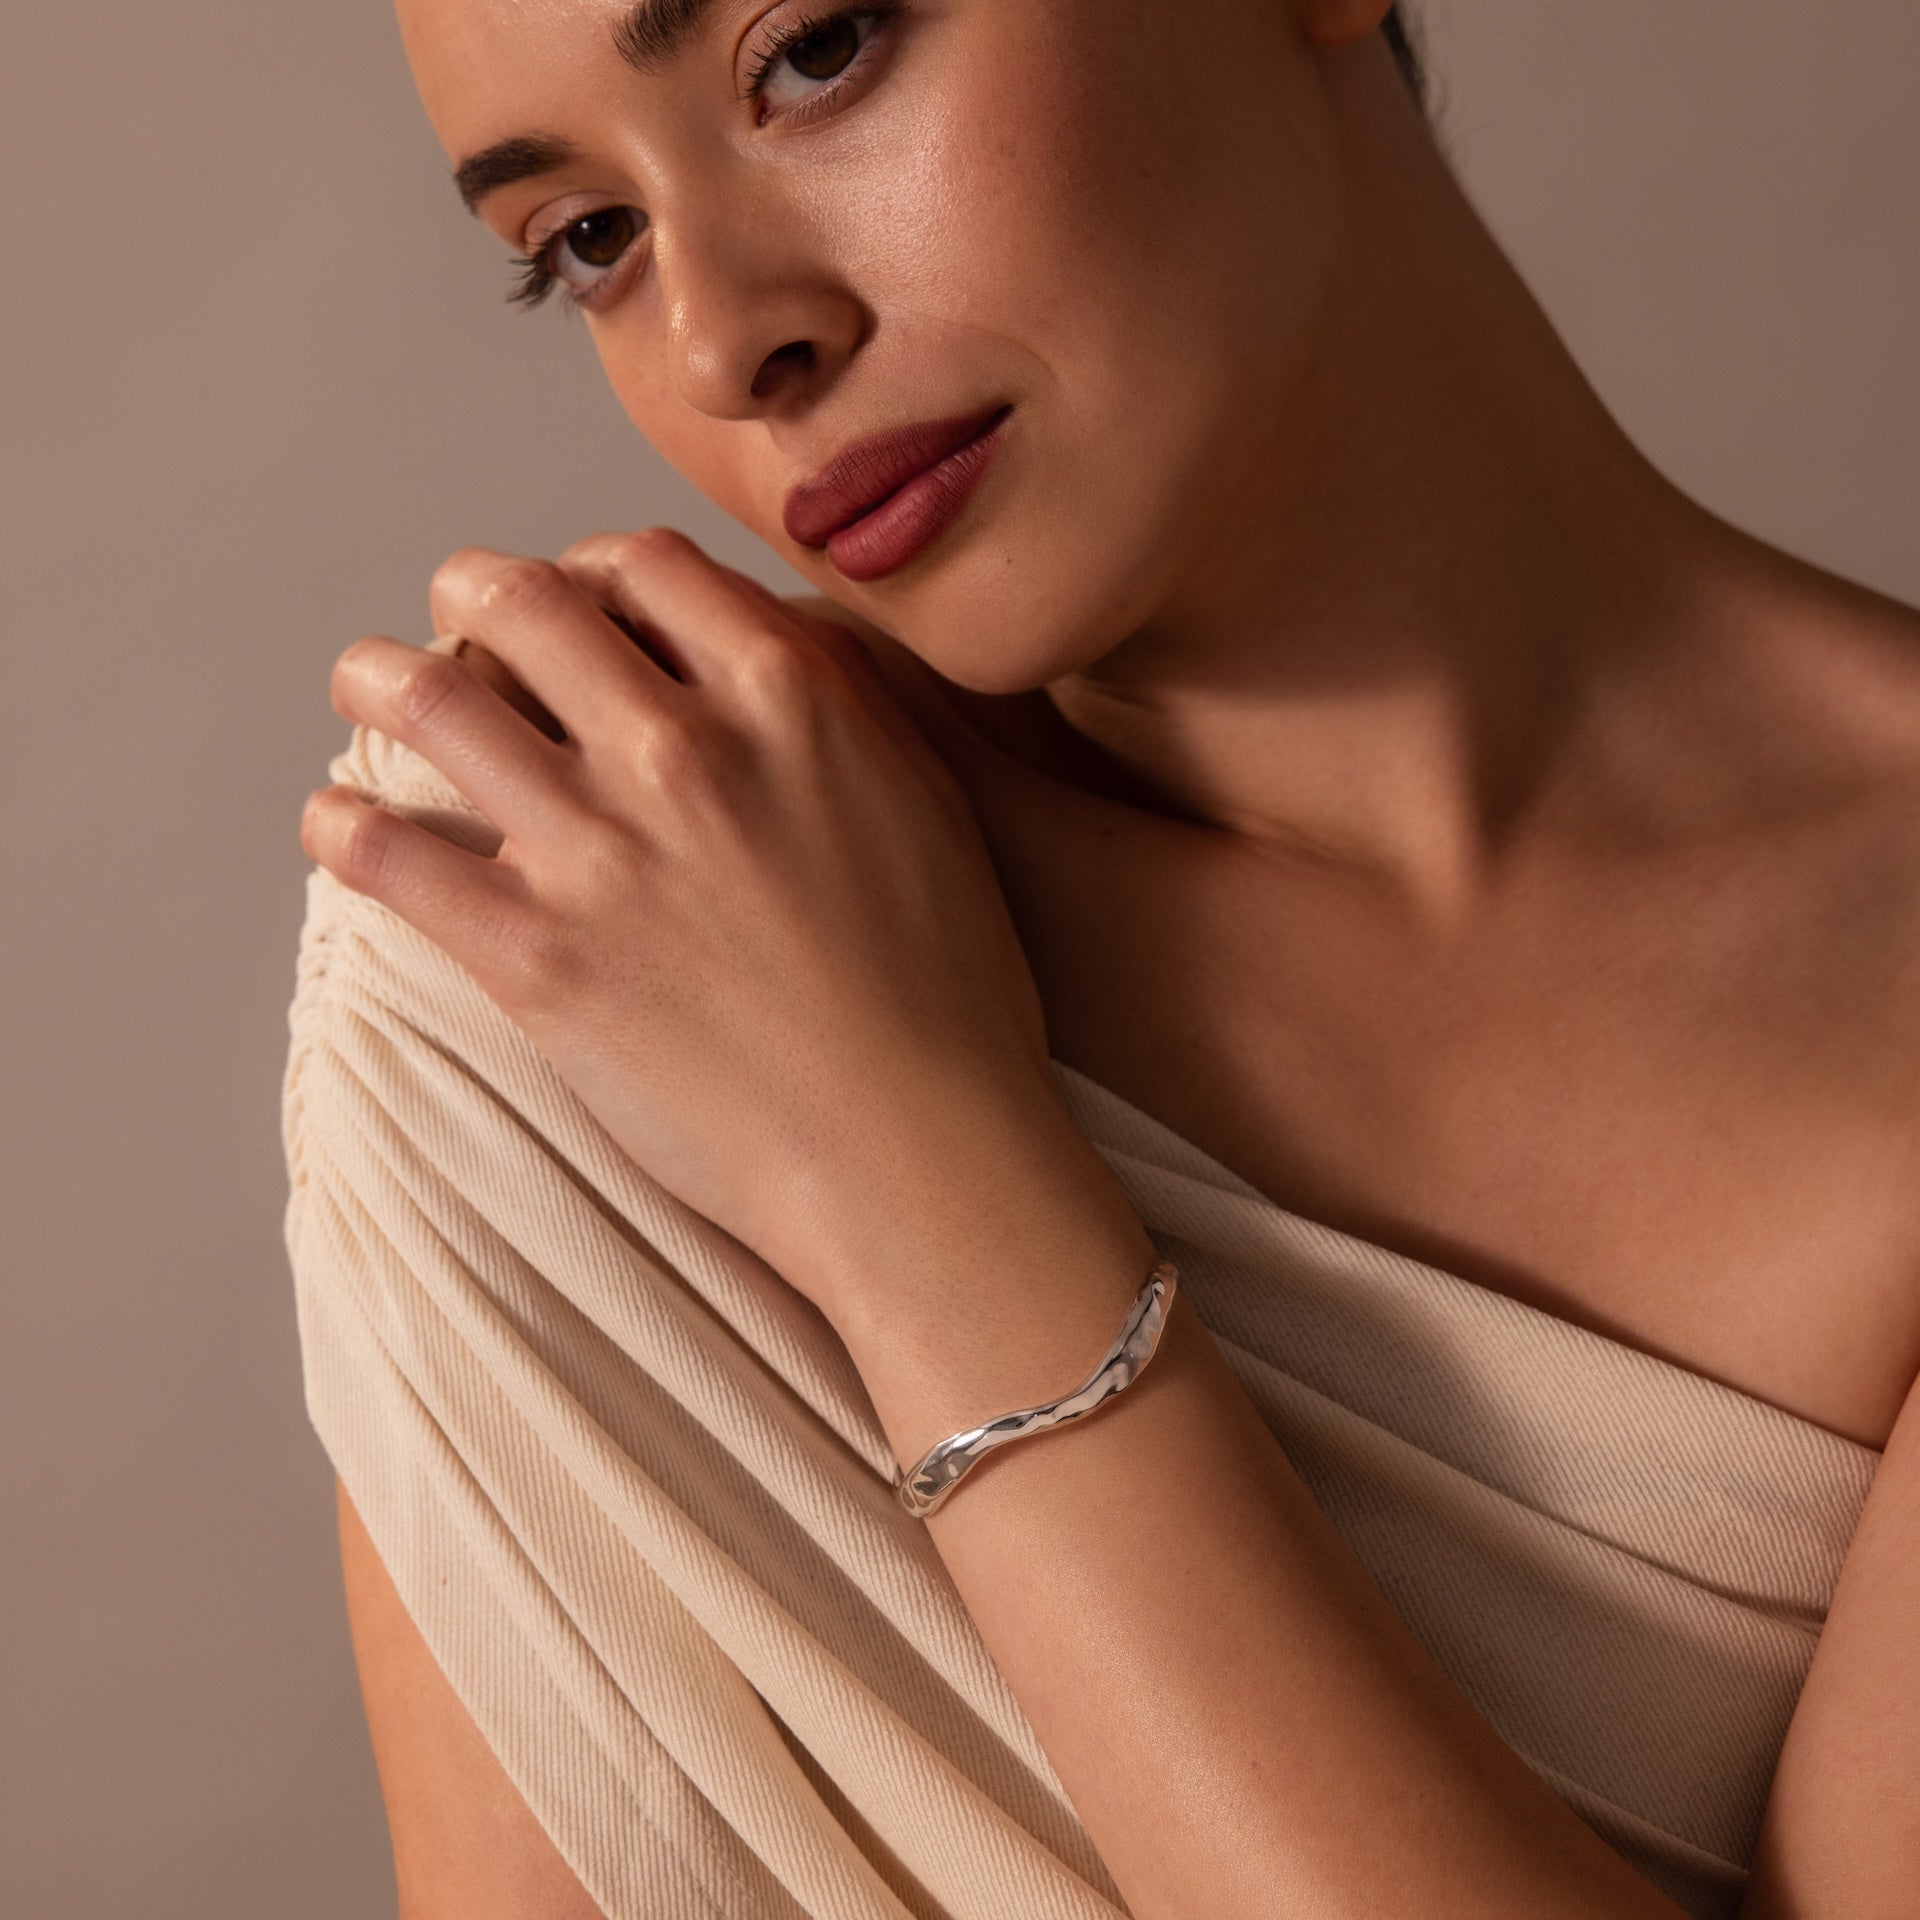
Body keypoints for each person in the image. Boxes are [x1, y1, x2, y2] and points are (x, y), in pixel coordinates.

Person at [285, 2, 1920, 1916]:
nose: (726, 342)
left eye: (813, 52)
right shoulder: (568, 884)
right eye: (591, 239)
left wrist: (910, 1180)